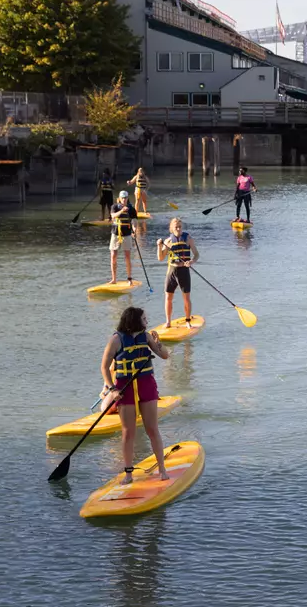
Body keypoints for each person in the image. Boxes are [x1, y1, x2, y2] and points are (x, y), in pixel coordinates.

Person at [99, 306, 171, 485]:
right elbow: (104, 367)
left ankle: (162, 468)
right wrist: (112, 389)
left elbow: (164, 356)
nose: (147, 322)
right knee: (128, 432)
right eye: (144, 319)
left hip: (146, 384)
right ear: (134, 320)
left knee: (152, 429)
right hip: (125, 388)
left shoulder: (146, 337)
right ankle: (128, 473)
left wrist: (158, 342)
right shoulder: (116, 340)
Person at [156, 217, 200, 329]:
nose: (179, 229)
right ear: (172, 228)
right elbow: (160, 258)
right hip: (172, 271)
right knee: (168, 297)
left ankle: (188, 320)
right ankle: (168, 322)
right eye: (176, 227)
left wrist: (191, 261)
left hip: (183, 271)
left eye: (180, 227)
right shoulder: (168, 241)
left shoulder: (188, 238)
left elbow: (196, 254)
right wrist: (159, 246)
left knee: (186, 298)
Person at [108, 191, 138, 284]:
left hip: (127, 234)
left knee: (127, 256)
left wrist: (135, 229)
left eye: (125, 198)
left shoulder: (131, 209)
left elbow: (134, 221)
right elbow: (113, 216)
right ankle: (114, 279)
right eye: (122, 198)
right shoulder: (115, 207)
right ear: (119, 198)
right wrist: (121, 211)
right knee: (113, 256)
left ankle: (129, 279)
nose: (124, 199)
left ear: (127, 198)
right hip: (115, 233)